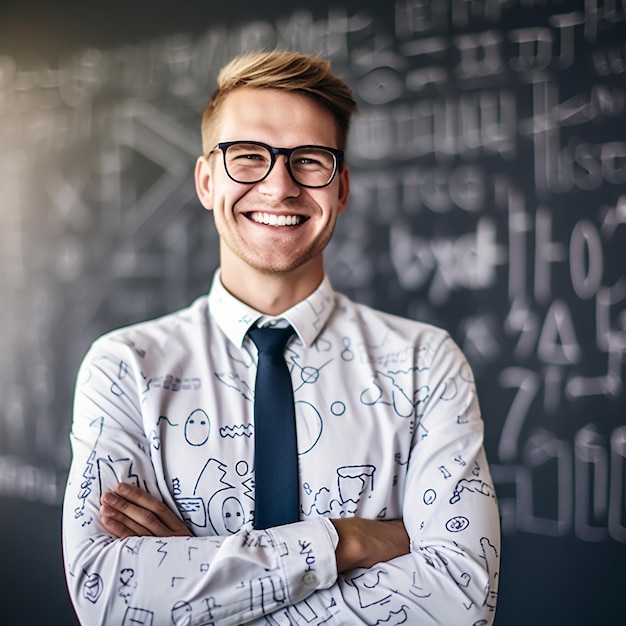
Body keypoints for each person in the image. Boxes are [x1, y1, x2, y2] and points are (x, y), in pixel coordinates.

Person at [62, 49, 500, 625]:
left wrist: (200, 581)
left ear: (340, 189)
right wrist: (348, 542)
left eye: (309, 161)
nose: (280, 186)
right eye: (248, 158)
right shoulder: (124, 367)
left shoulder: (426, 362)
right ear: (205, 179)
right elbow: (107, 597)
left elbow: (461, 602)